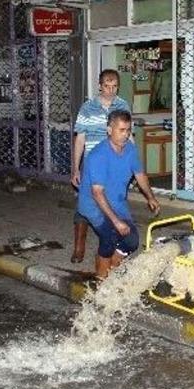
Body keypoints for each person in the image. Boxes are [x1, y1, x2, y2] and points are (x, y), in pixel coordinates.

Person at [77, 110, 159, 279]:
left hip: (116, 202)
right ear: (109, 130)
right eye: (121, 130)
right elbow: (97, 193)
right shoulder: (98, 155)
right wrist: (116, 221)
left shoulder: (130, 149)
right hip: (92, 204)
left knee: (131, 241)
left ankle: (108, 267)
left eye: (128, 130)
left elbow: (140, 174)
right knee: (109, 236)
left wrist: (151, 197)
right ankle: (100, 284)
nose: (125, 134)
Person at [69, 69, 131, 264]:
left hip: (115, 165)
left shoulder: (123, 105)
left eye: (114, 87)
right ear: (99, 85)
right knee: (85, 205)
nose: (110, 91)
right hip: (91, 166)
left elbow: (129, 135)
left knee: (114, 204)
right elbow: (80, 139)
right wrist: (76, 168)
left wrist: (134, 163)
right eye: (106, 86)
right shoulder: (88, 108)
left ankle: (110, 245)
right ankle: (79, 247)